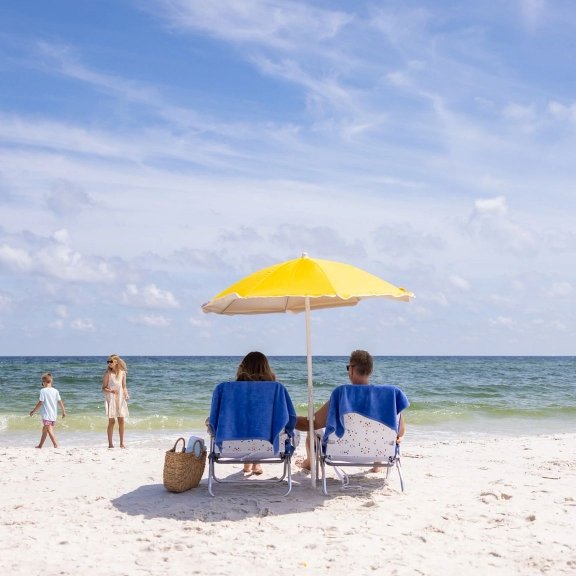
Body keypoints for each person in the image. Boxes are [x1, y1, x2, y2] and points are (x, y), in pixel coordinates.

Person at [295, 350, 406, 472]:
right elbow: (400, 432)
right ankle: (377, 465)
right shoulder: (390, 395)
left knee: (313, 429)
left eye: (348, 368)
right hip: (379, 451)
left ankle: (309, 463)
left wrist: (288, 419)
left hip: (340, 451)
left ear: (352, 370)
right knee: (376, 430)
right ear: (370, 371)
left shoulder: (341, 394)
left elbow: (312, 423)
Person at [235, 351, 276, 475]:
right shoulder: (275, 389)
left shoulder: (229, 390)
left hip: (233, 444)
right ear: (266, 368)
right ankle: (256, 461)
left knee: (246, 421)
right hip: (267, 445)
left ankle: (249, 461)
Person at [29, 373, 66, 448]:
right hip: (53, 414)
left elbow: (40, 402)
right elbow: (60, 402)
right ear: (51, 381)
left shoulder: (43, 391)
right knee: (45, 429)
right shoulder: (56, 391)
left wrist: (33, 411)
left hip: (46, 415)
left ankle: (55, 444)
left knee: (48, 429)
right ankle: (40, 445)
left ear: (44, 381)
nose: (42, 384)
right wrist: (63, 411)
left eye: (42, 382)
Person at [102, 354, 129, 448]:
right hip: (111, 399)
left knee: (121, 420)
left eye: (111, 362)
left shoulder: (122, 373)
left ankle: (122, 443)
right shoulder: (107, 374)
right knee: (112, 421)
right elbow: (103, 388)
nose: (109, 363)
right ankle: (110, 444)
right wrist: (111, 391)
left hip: (120, 398)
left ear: (116, 362)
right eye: (108, 362)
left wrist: (126, 394)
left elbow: (124, 386)